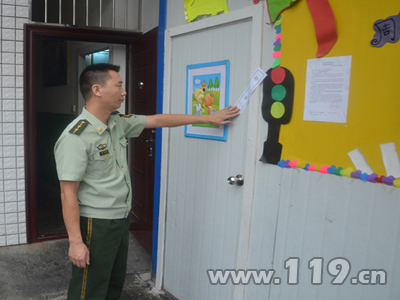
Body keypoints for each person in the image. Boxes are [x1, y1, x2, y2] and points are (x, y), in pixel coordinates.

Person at [54, 63, 239, 300]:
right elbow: (67, 193)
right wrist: (76, 243)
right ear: (97, 90)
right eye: (119, 85)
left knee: (112, 283)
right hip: (96, 223)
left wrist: (207, 117)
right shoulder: (75, 137)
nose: (124, 92)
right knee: (89, 289)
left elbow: (158, 120)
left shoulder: (117, 122)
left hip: (119, 218)